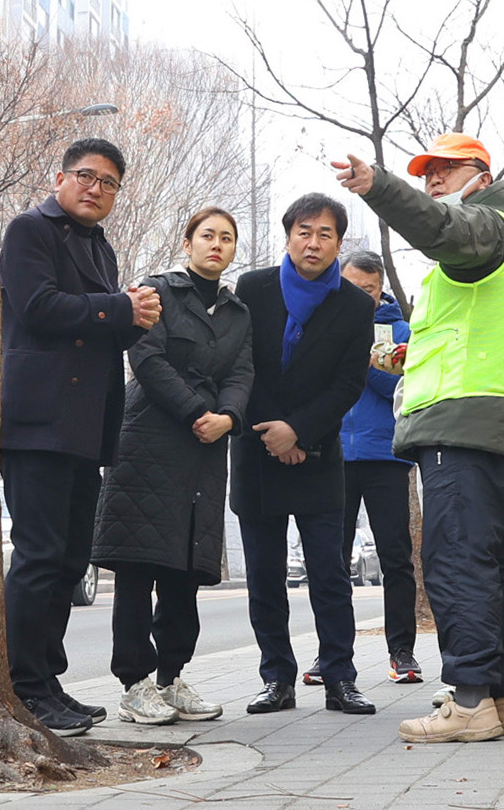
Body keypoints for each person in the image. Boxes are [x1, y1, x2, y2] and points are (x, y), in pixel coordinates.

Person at [332, 135, 504, 744]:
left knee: (455, 558)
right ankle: (501, 698)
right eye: (424, 173)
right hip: (494, 421)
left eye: (445, 171)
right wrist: (410, 354)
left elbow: (439, 227)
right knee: (494, 562)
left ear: (480, 175)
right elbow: (467, 333)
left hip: (461, 421)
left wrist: (378, 186)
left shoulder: (489, 228)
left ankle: (468, 698)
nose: (432, 182)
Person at [0, 137, 163, 733]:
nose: (96, 188)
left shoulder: (102, 249)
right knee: (39, 555)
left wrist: (133, 317)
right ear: (61, 178)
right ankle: (22, 685)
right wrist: (120, 310)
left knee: (70, 562)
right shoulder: (28, 230)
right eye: (86, 176)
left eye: (109, 182)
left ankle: (50, 680)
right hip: (36, 419)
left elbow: (100, 329)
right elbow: (38, 307)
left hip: (84, 424)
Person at [91, 207, 251, 725]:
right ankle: (135, 683)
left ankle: (172, 676)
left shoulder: (237, 312)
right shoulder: (156, 293)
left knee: (186, 568)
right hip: (149, 441)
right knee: (139, 569)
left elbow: (243, 372)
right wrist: (196, 412)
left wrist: (228, 416)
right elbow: (147, 359)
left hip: (205, 450)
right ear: (188, 243)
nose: (217, 245)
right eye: (207, 235)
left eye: (226, 238)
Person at [231, 193, 378, 715]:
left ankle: (340, 676)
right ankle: (277, 678)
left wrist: (300, 433)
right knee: (265, 576)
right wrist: (273, 431)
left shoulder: (356, 304)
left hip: (317, 454)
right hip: (256, 449)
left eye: (326, 234)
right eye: (304, 231)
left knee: (329, 573)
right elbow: (240, 366)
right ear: (288, 235)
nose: (313, 243)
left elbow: (348, 383)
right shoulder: (253, 288)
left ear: (339, 242)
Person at [329, 250, 421, 687]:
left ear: (379, 287)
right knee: (331, 560)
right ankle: (332, 654)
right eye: (351, 287)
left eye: (368, 289)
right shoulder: (320, 320)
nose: (360, 297)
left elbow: (402, 387)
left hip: (385, 456)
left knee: (395, 558)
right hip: (334, 458)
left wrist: (362, 357)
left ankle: (402, 651)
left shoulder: (401, 330)